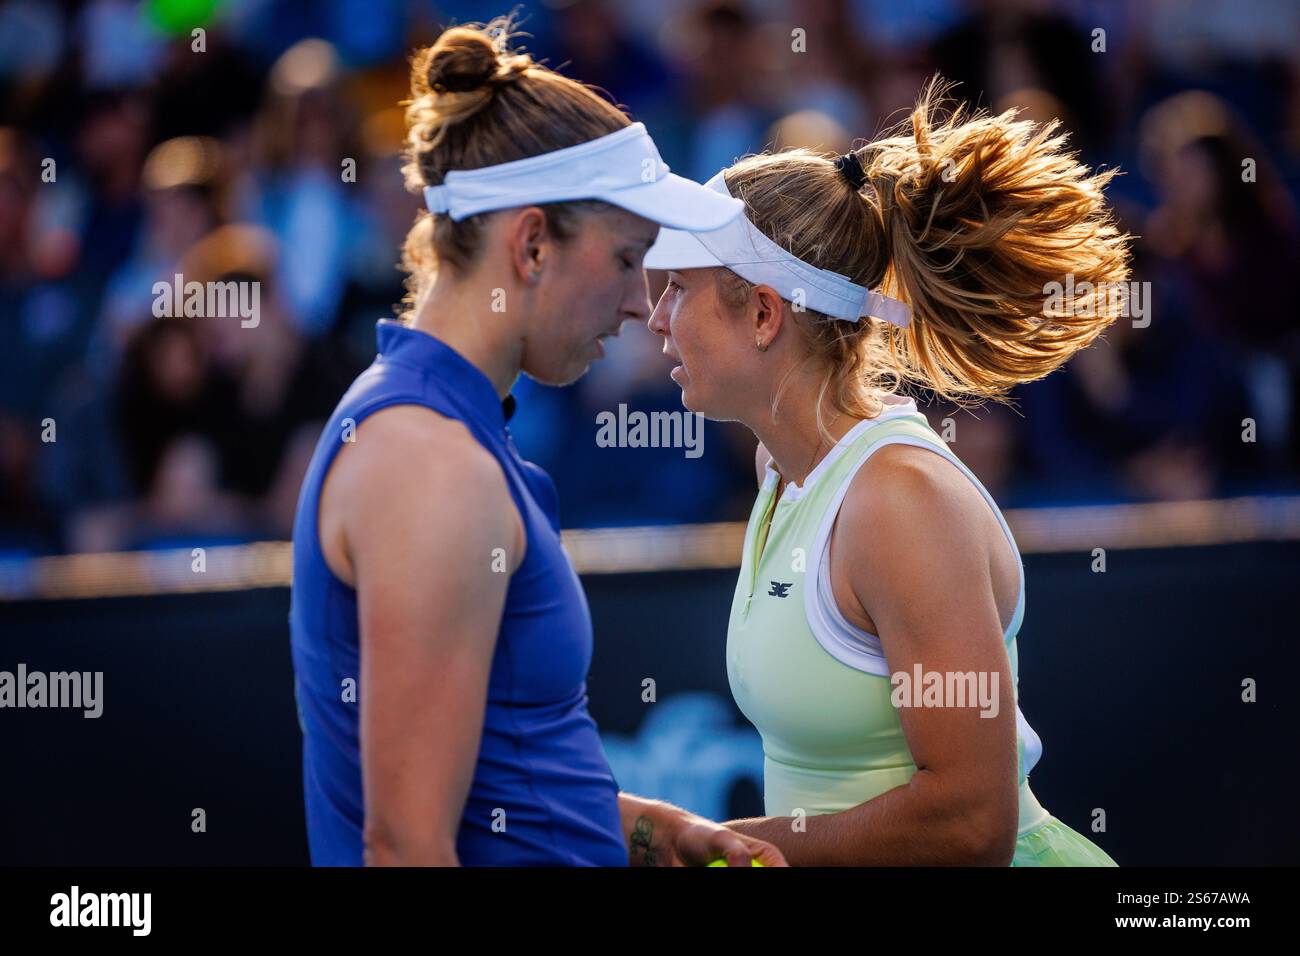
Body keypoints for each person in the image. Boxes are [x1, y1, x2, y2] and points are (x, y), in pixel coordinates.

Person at [289, 19, 786, 867]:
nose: (640, 302)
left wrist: (638, 825)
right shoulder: (431, 466)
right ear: (529, 244)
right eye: (628, 259)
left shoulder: (436, 440)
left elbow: (494, 778)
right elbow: (406, 846)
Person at [645, 79, 1128, 865]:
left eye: (678, 288)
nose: (657, 319)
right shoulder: (786, 467)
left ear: (765, 315)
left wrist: (712, 847)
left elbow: (973, 826)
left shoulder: (898, 503)